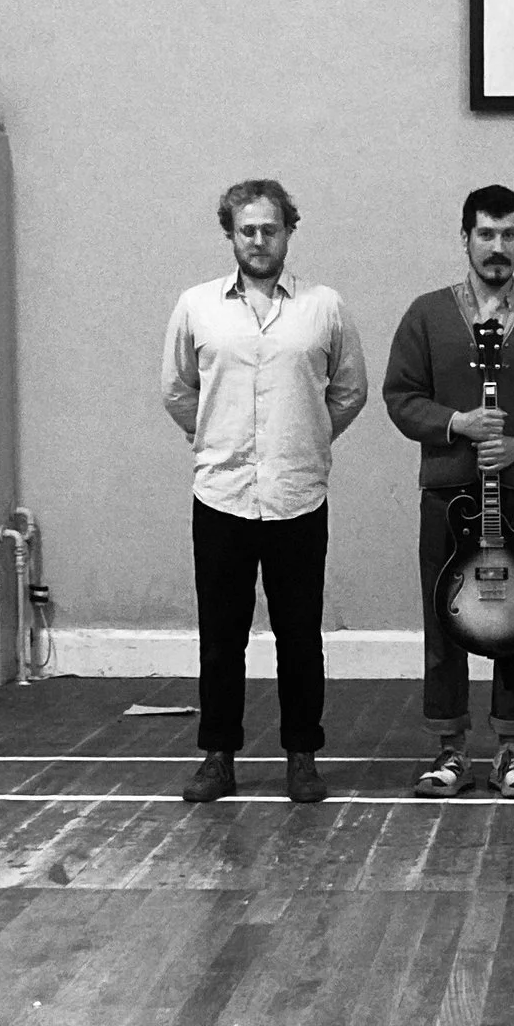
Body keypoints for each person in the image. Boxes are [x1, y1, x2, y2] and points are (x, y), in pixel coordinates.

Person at [162, 177, 367, 803]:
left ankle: (302, 756)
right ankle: (218, 756)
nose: (258, 240)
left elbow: (350, 390)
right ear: (230, 234)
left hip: (297, 496)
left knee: (300, 635)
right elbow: (177, 390)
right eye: (246, 229)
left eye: (269, 229)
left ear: (288, 232)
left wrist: (306, 439)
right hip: (221, 496)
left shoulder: (324, 307)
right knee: (220, 636)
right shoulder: (196, 305)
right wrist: (214, 441)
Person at [384, 186, 514, 798]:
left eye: (508, 234)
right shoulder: (426, 315)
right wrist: (456, 424)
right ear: (465, 238)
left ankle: (510, 752)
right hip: (446, 493)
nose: (497, 247)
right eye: (485, 234)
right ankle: (450, 750)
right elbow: (400, 396)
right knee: (443, 618)